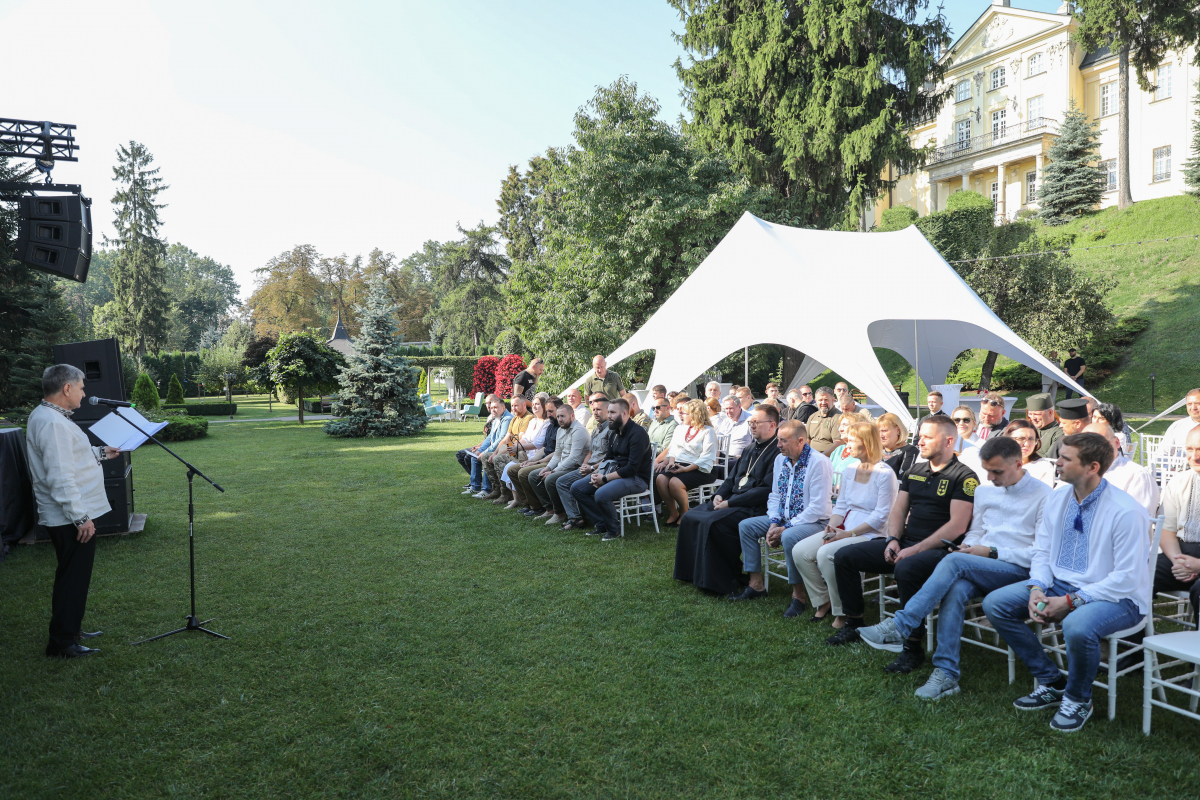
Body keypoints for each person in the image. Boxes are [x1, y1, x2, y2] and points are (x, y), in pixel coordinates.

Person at [857, 436, 1054, 701]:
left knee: (953, 562)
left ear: (1019, 464)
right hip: (980, 562)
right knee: (955, 587)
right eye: (987, 471)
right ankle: (946, 673)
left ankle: (902, 624)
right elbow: (976, 531)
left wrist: (991, 551)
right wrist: (970, 547)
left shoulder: (1044, 495)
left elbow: (1042, 553)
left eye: (997, 471)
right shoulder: (985, 490)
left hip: (1019, 568)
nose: (991, 477)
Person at [983, 432, 1151, 733]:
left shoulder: (1126, 511)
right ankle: (1051, 681)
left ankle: (1078, 698)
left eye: (1065, 458)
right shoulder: (1057, 497)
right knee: (996, 604)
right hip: (1060, 584)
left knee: (1077, 624)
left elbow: (1126, 578)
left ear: (1092, 467)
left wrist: (1072, 601)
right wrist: (1036, 587)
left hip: (1119, 598)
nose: (1056, 462)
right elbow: (1043, 551)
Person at [827, 415, 977, 675]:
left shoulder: (964, 476)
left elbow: (957, 527)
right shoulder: (915, 471)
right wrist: (894, 539)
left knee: (906, 568)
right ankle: (853, 621)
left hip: (941, 551)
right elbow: (898, 511)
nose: (920, 441)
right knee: (845, 556)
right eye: (920, 436)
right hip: (906, 543)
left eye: (928, 437)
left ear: (949, 441)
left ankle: (912, 646)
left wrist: (914, 549)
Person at [28, 365, 122, 658]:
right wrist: (80, 517)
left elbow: (69, 458)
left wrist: (101, 453)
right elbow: (59, 475)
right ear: (66, 388)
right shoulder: (53, 423)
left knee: (72, 575)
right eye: (81, 387)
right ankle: (62, 642)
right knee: (73, 577)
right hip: (68, 517)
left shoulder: (49, 416)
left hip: (68, 514)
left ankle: (70, 628)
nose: (84, 392)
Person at [794, 421, 898, 627]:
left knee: (826, 554)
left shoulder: (885, 473)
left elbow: (881, 516)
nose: (846, 445)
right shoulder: (850, 469)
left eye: (851, 441)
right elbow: (840, 506)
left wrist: (847, 534)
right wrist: (831, 528)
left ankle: (842, 611)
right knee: (800, 551)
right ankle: (823, 600)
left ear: (866, 443)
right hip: (846, 527)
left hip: (872, 533)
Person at [674, 406, 781, 595]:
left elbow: (765, 490)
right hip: (731, 499)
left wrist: (730, 503)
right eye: (751, 422)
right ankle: (692, 573)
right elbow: (732, 478)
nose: (752, 426)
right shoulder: (750, 447)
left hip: (754, 507)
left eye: (756, 422)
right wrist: (719, 495)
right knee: (691, 516)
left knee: (713, 522)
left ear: (772, 425)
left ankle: (721, 579)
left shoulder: (778, 452)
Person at [731, 420, 833, 618]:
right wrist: (774, 523)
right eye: (778, 440)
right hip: (785, 519)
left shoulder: (819, 462)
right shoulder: (781, 460)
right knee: (746, 526)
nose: (778, 445)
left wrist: (786, 528)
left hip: (815, 522)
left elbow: (818, 508)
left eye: (783, 441)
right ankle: (756, 585)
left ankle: (799, 596)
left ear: (800, 441)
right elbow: (775, 494)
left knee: (789, 537)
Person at [568, 398, 652, 541]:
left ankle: (614, 530)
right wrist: (597, 475)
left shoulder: (638, 434)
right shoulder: (614, 431)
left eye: (612, 412)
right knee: (577, 488)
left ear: (624, 414)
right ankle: (602, 524)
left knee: (601, 494)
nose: (609, 416)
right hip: (615, 473)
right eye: (609, 412)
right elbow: (607, 459)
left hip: (636, 479)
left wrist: (605, 479)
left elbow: (631, 469)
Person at [1154, 427, 1200, 625]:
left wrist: (1197, 565)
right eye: (1189, 449)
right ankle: (1135, 647)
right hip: (1180, 551)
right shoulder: (1179, 481)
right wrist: (1177, 561)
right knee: (1137, 573)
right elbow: (1167, 530)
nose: (1194, 456)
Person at [656, 399, 719, 526]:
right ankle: (673, 513)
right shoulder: (680, 428)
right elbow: (673, 448)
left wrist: (686, 469)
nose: (680, 415)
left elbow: (707, 457)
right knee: (661, 479)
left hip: (701, 468)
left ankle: (685, 513)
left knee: (675, 482)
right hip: (680, 464)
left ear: (695, 414)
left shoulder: (708, 431)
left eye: (684, 413)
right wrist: (671, 462)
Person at [530, 403, 590, 526]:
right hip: (563, 465)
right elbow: (557, 454)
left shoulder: (578, 431)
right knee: (533, 475)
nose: (560, 420)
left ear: (572, 416)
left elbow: (573, 459)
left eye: (563, 416)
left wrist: (553, 471)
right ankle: (550, 509)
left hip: (576, 467)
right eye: (558, 417)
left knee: (550, 479)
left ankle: (559, 513)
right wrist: (547, 467)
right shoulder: (561, 430)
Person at [558, 396, 611, 531]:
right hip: (589, 467)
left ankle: (584, 519)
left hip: (602, 469)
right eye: (593, 409)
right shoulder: (596, 428)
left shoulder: (611, 430)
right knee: (561, 482)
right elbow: (590, 452)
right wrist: (584, 466)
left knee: (575, 486)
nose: (595, 412)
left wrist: (592, 467)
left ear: (608, 410)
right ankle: (576, 517)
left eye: (599, 409)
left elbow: (610, 457)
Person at [1086, 421, 1157, 516]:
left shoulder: (1136, 476)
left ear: (1116, 442)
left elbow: (1136, 522)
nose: (1092, 449)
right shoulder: (1075, 473)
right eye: (1085, 444)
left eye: (1099, 443)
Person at [510, 396, 561, 515]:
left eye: (551, 411)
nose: (548, 414)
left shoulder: (560, 426)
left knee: (523, 472)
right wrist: (532, 460)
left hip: (553, 460)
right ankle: (528, 503)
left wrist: (536, 462)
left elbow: (558, 452)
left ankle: (541, 507)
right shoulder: (551, 425)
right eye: (547, 411)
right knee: (513, 470)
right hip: (544, 457)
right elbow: (545, 448)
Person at [501, 395, 551, 508]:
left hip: (539, 456)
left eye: (537, 404)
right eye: (533, 404)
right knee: (509, 466)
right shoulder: (533, 421)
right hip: (527, 454)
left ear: (544, 406)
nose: (534, 407)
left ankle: (531, 503)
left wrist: (518, 448)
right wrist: (515, 446)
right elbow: (525, 438)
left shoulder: (547, 423)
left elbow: (540, 443)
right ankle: (518, 499)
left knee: (519, 470)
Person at [482, 396, 531, 504]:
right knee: (486, 457)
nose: (513, 408)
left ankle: (506, 494)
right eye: (512, 405)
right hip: (512, 449)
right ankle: (497, 489)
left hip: (522, 452)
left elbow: (520, 440)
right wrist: (494, 452)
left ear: (524, 405)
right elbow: (506, 438)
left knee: (498, 459)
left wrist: (501, 452)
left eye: (516, 405)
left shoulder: (528, 418)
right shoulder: (514, 418)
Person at [457, 394, 505, 495]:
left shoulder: (504, 418)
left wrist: (483, 450)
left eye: (491, 403)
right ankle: (476, 483)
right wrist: (479, 447)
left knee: (472, 457)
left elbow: (500, 439)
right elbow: (488, 437)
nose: (489, 406)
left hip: (497, 447)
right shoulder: (492, 418)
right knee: (461, 454)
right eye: (487, 404)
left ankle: (480, 485)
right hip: (488, 445)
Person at [469, 397, 513, 498]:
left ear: (503, 407)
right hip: (495, 448)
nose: (493, 409)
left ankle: (487, 489)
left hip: (504, 449)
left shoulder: (507, 419)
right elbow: (490, 438)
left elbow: (501, 439)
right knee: (474, 457)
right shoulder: (496, 418)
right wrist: (480, 450)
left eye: (496, 407)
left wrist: (485, 452)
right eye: (492, 407)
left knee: (486, 457)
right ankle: (475, 486)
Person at [1005, 419, 1057, 487]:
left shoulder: (1043, 467)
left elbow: (1044, 495)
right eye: (1021, 438)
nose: (1027, 444)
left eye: (1031, 439)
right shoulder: (996, 463)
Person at [1160, 388, 1200, 459]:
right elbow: (1162, 453)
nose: (1193, 407)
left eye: (1198, 404)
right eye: (1189, 404)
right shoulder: (1177, 426)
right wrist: (1168, 467)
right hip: (1179, 469)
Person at [826, 414, 861, 494]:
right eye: (839, 425)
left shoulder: (861, 452)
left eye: (845, 425)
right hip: (831, 497)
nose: (840, 429)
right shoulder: (838, 450)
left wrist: (834, 489)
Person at [877, 412, 919, 478]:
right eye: (878, 431)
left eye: (884, 431)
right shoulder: (876, 450)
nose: (880, 435)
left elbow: (903, 480)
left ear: (898, 430)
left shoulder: (910, 451)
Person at [712, 395, 753, 461]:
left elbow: (757, 443)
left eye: (731, 408)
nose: (728, 411)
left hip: (740, 459)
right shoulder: (726, 421)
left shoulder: (750, 420)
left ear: (739, 406)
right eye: (726, 409)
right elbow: (719, 442)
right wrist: (716, 461)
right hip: (723, 457)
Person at [1024, 393, 1062, 457]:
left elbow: (1049, 458)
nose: (1033, 418)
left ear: (1050, 412)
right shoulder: (1029, 429)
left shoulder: (1059, 433)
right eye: (1030, 414)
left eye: (1037, 414)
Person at [806, 387, 839, 455]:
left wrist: (821, 457)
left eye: (826, 400)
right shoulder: (812, 417)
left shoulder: (838, 417)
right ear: (815, 400)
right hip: (812, 456)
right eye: (820, 400)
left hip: (828, 458)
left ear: (833, 400)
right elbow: (807, 439)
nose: (823, 403)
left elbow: (838, 443)